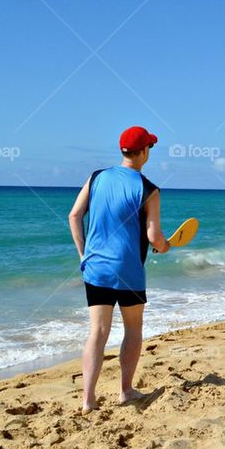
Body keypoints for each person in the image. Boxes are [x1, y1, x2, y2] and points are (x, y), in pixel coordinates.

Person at [68, 126, 171, 413]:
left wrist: (83, 254)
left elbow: (74, 216)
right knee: (133, 329)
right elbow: (154, 238)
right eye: (149, 146)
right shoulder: (149, 189)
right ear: (145, 152)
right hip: (129, 271)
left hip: (96, 268)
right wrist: (166, 247)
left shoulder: (96, 177)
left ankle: (88, 400)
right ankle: (125, 391)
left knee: (97, 332)